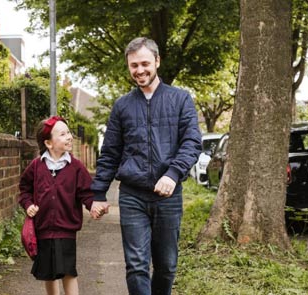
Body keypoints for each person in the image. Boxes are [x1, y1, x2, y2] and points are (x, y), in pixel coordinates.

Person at [91, 37, 202, 295]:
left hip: (168, 197)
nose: (139, 70)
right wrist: (98, 193)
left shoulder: (181, 100)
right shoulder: (122, 106)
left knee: (166, 266)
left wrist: (173, 173)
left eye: (144, 63)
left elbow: (192, 142)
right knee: (137, 265)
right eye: (133, 65)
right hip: (132, 196)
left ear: (157, 61)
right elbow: (110, 152)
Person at [18, 116, 103, 295]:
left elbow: (86, 193)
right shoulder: (36, 166)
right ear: (48, 143)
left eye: (69, 132)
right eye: (63, 134)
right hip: (43, 229)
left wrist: (93, 206)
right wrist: (28, 205)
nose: (69, 136)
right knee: (49, 273)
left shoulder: (76, 167)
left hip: (66, 229)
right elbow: (24, 189)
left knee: (68, 271)